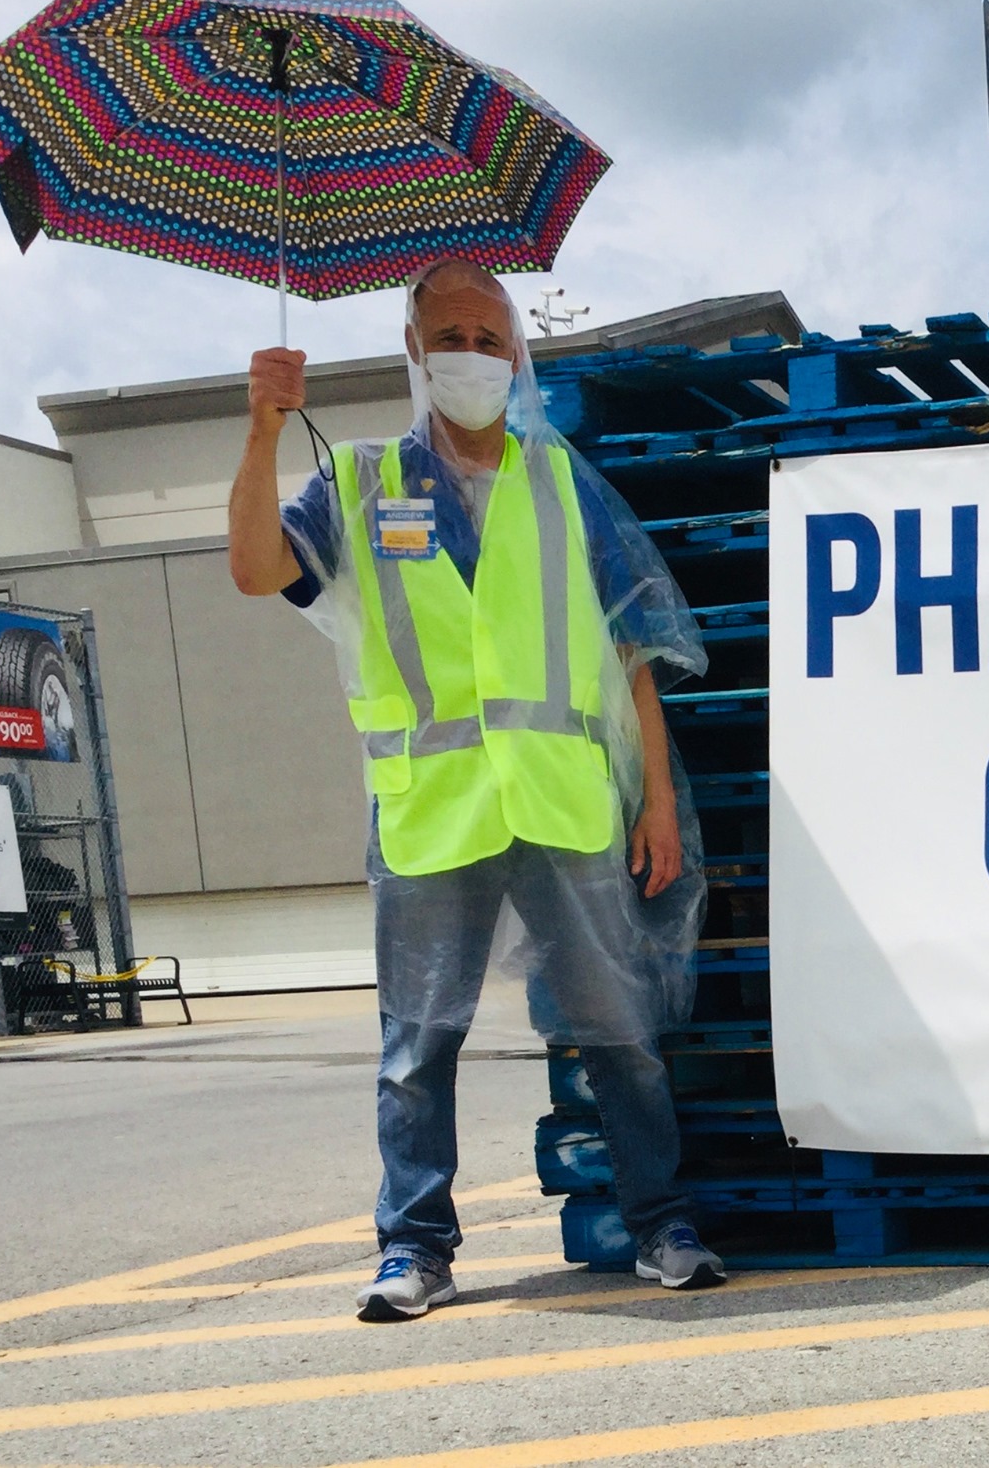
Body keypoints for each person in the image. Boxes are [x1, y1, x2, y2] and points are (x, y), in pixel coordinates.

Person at [226, 258, 724, 1319]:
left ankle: (661, 1221)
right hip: (432, 806)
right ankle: (414, 1246)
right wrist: (263, 430)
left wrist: (658, 798)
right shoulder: (358, 481)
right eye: (450, 336)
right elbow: (258, 569)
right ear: (414, 350)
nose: (471, 356)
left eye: (490, 340)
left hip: (559, 798)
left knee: (621, 1029)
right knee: (417, 1045)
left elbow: (631, 647)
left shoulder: (558, 481)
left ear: (516, 355)